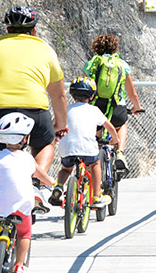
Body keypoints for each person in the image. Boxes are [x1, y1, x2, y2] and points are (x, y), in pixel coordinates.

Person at [0, 5, 67, 234]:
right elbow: (58, 95)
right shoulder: (45, 49)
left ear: (7, 29)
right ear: (33, 30)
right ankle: (35, 183)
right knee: (46, 143)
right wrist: (60, 125)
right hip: (34, 108)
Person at [0, 112, 55, 273]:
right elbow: (42, 175)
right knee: (25, 233)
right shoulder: (28, 159)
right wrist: (52, 182)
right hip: (22, 205)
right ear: (24, 138)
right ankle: (19, 266)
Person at [49, 77, 120, 208]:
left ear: (72, 95)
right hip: (88, 149)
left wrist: (54, 137)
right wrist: (115, 140)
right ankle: (96, 196)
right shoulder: (94, 110)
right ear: (92, 96)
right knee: (95, 164)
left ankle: (59, 186)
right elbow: (109, 127)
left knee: (66, 169)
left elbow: (53, 126)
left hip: (67, 148)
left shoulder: (65, 109)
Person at [83, 34, 144, 174]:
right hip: (117, 107)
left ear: (96, 47)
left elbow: (85, 88)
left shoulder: (91, 63)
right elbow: (132, 93)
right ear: (115, 48)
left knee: (96, 136)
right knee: (121, 125)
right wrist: (136, 107)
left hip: (96, 107)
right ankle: (120, 153)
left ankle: (91, 166)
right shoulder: (122, 64)